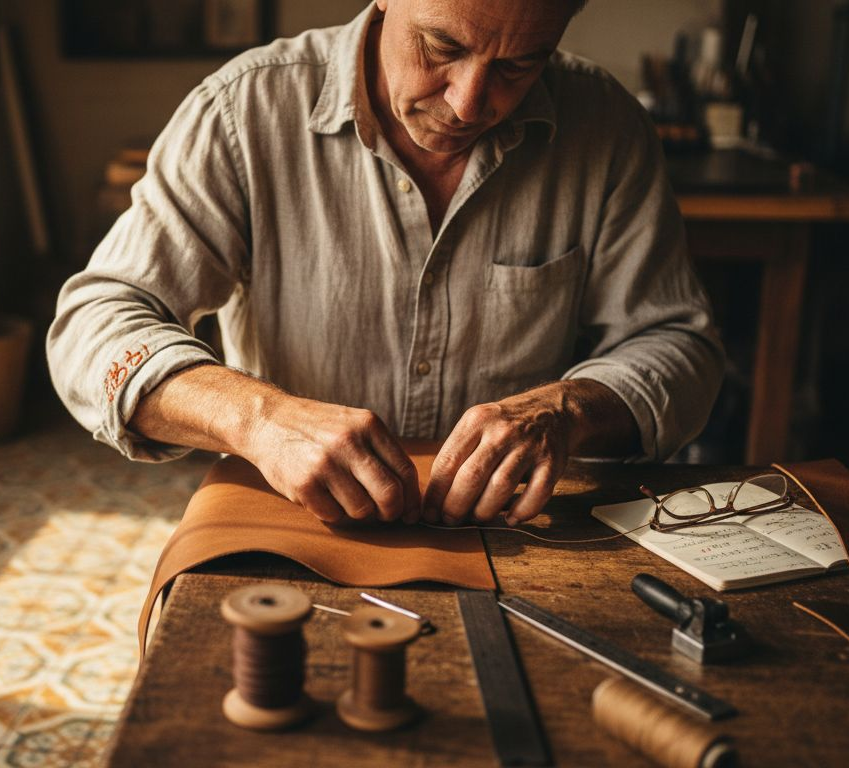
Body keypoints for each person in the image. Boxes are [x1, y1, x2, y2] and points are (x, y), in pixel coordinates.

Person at [48, 0, 724, 528]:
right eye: (443, 46)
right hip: (297, 524)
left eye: (520, 65)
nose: (468, 102)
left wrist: (567, 410)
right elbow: (94, 325)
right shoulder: (244, 112)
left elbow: (679, 344)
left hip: (517, 532)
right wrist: (259, 419)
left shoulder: (604, 126)